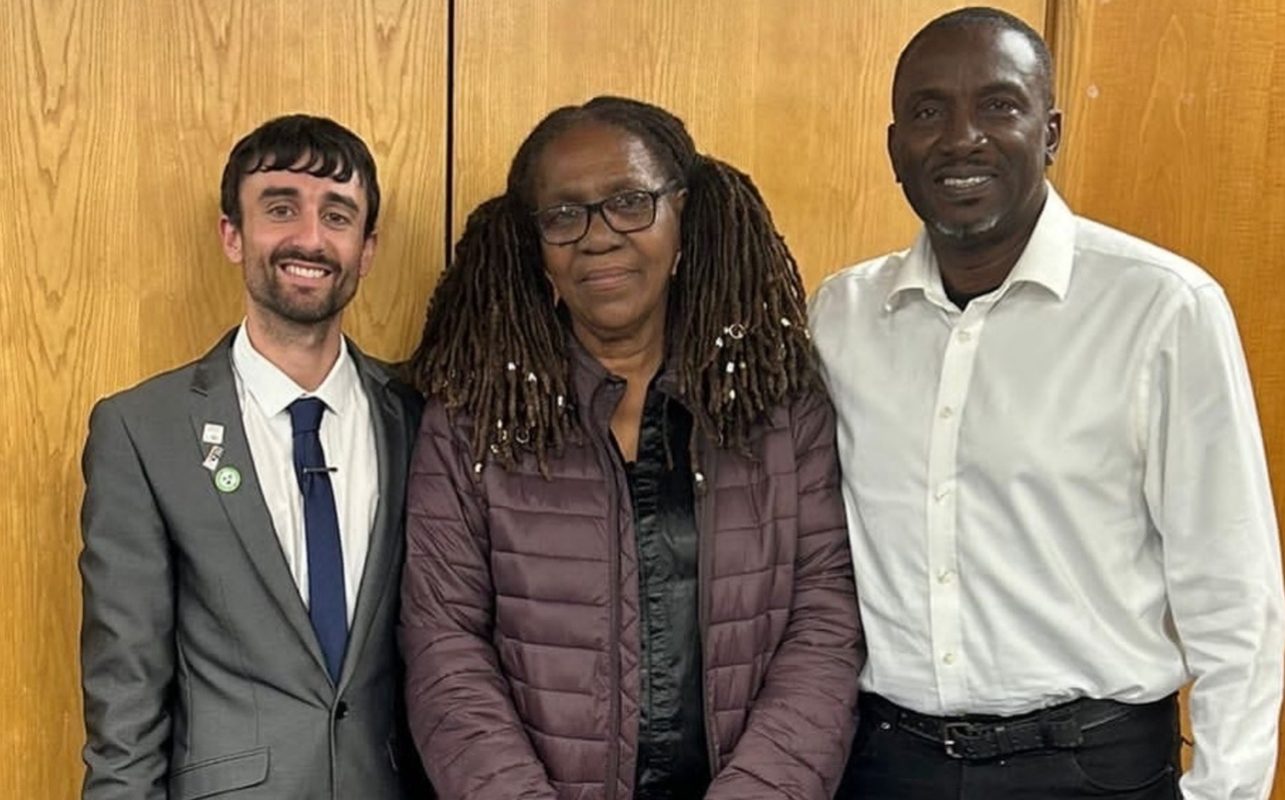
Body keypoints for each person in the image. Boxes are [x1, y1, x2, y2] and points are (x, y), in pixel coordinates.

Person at [809, 7, 1284, 799]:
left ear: (1050, 131)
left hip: (1090, 767)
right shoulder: (840, 318)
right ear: (894, 149)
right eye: (927, 112)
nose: (961, 138)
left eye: (998, 105)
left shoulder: (1160, 308)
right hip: (887, 765)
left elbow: (1232, 595)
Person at [400, 95, 863, 799]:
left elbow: (823, 623)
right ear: (536, 247)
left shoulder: (778, 406)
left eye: (629, 202)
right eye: (564, 215)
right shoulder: (473, 419)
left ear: (683, 217)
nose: (597, 237)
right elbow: (443, 644)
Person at [79, 114, 425, 799]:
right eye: (280, 209)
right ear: (232, 234)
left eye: (337, 215)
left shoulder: (419, 420)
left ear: (366, 249)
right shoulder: (143, 431)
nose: (310, 238)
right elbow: (125, 693)